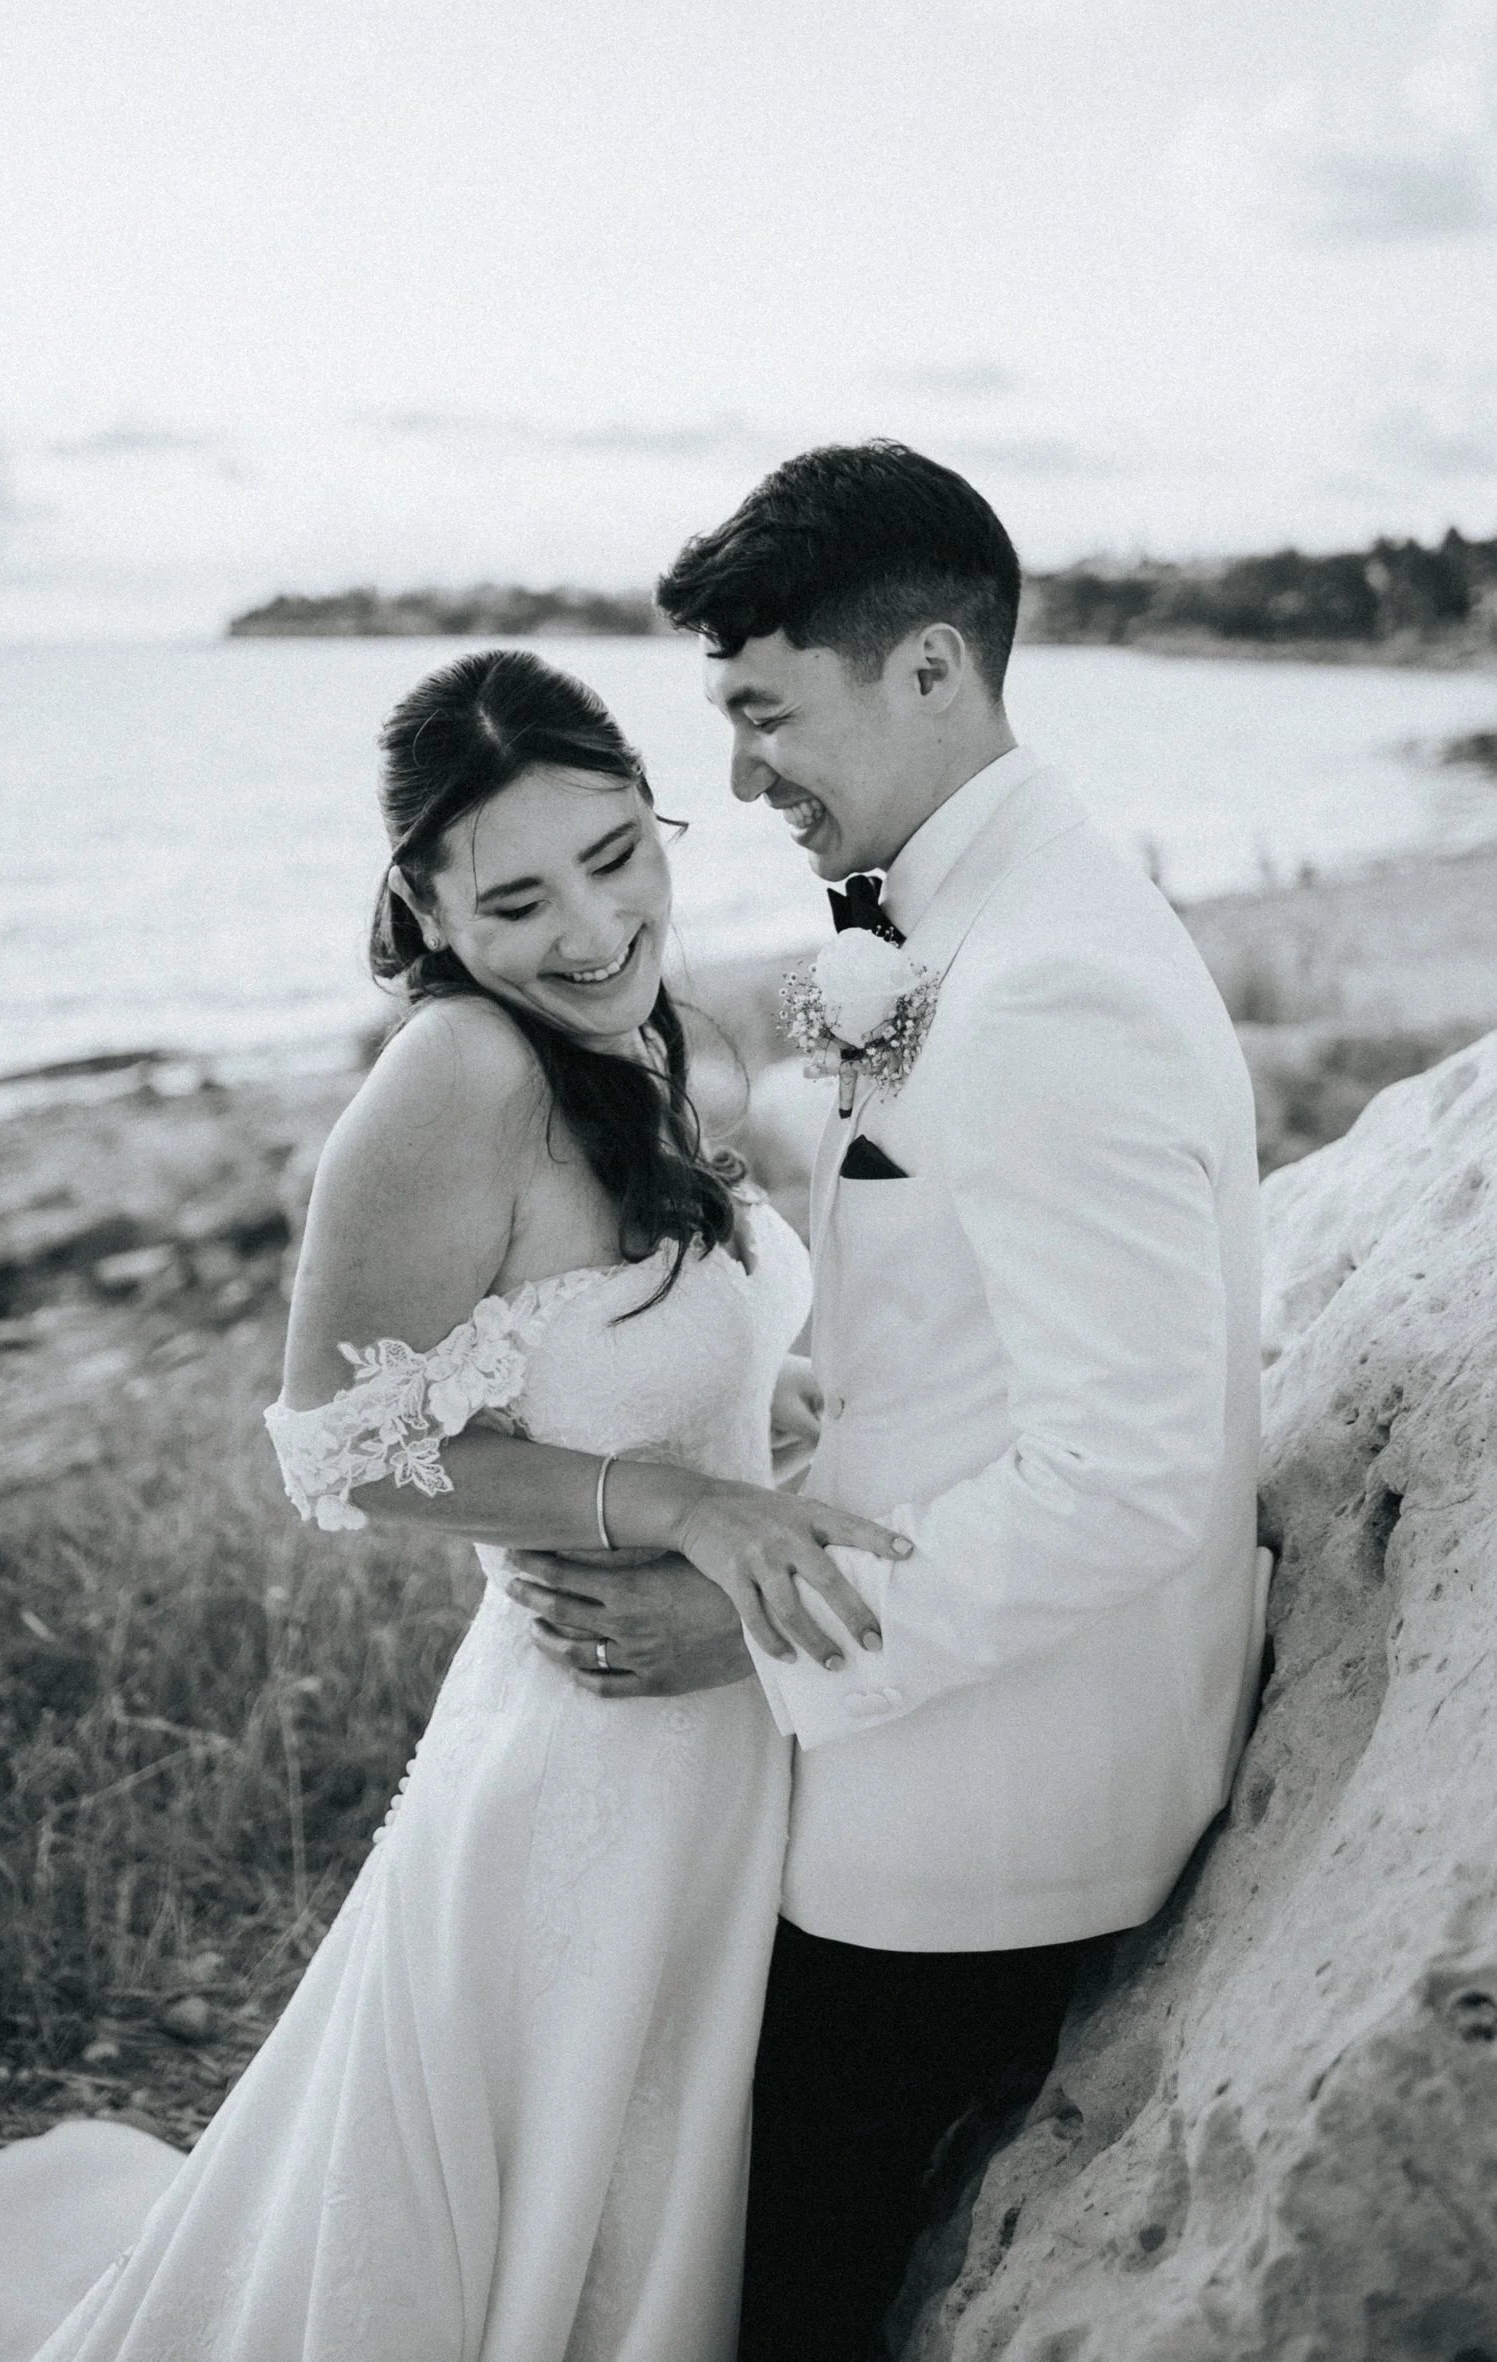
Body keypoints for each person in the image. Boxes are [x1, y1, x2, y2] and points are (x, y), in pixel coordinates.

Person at [18, 647, 909, 2362]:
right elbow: (338, 1446)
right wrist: (675, 1500)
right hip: (583, 1768)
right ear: (425, 905)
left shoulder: (619, 1032)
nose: (592, 927)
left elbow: (590, 1331)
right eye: (517, 898)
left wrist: (760, 1399)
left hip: (717, 1739)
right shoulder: (461, 1074)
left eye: (616, 854)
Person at [505, 443, 1270, 2362]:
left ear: (932, 668)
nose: (743, 774)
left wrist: (749, 1637)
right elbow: (977, 1320)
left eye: (766, 712)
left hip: (993, 1805)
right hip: (950, 1736)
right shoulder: (970, 915)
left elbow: (1131, 1477)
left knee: (793, 2276)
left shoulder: (1046, 985)